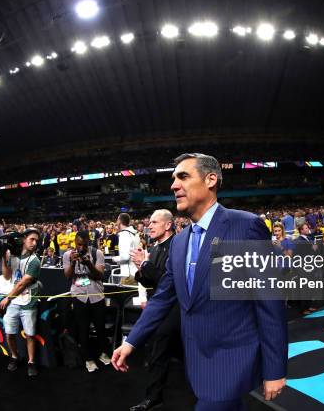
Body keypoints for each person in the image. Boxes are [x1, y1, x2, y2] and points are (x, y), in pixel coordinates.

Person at [112, 153, 288, 410]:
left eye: (183, 176)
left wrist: (274, 367)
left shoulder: (245, 226)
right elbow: (163, 297)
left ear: (211, 180)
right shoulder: (180, 242)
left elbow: (269, 300)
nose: (173, 185)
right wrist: (131, 341)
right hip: (196, 359)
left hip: (232, 358)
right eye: (173, 179)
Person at [129, 209, 177, 411]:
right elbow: (151, 281)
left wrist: (145, 264)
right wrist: (140, 269)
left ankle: (153, 398)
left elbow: (168, 282)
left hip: (174, 309)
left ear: (168, 225)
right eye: (150, 222)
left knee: (160, 351)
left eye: (155, 222)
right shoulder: (155, 248)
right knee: (159, 352)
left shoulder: (176, 246)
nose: (150, 226)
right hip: (158, 306)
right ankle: (155, 396)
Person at [63, 230, 111, 373]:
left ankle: (103, 353)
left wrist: (88, 263)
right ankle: (88, 359)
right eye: (78, 245)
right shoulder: (67, 255)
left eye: (84, 245)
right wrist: (72, 263)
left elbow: (99, 275)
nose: (81, 248)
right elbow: (67, 276)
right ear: (75, 243)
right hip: (79, 297)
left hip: (97, 296)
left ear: (88, 243)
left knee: (100, 327)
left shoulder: (97, 253)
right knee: (83, 329)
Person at [0, 228, 42, 377]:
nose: (34, 243)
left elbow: (22, 284)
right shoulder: (14, 256)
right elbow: (6, 276)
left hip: (28, 301)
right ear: (24, 239)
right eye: (32, 239)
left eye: (36, 240)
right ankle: (15, 356)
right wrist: (3, 258)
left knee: (30, 334)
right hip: (14, 300)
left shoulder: (35, 261)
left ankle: (31, 362)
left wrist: (8, 298)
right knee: (9, 332)